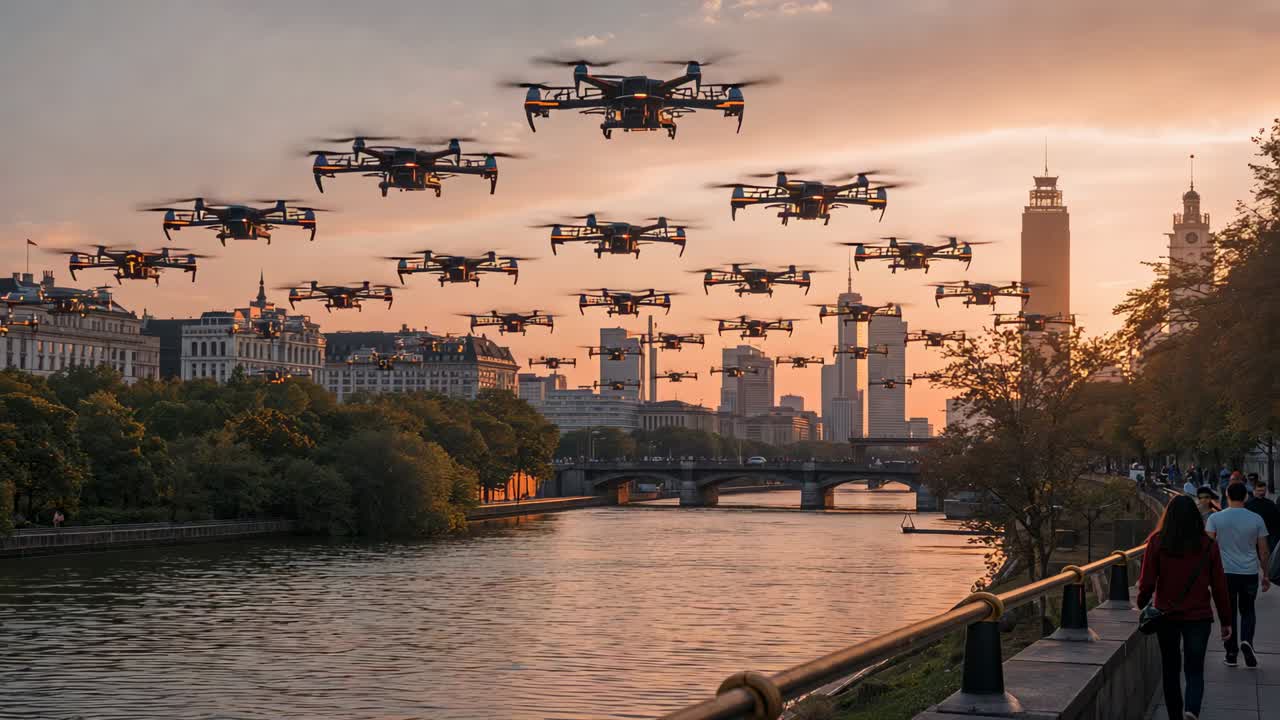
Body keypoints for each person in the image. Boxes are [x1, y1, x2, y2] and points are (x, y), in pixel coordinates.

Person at [1137, 494, 1231, 720]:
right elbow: (1219, 587)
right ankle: (1192, 709)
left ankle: (1175, 716)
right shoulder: (1208, 546)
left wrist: (1142, 602)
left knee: (1170, 670)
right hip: (1198, 616)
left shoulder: (1157, 541)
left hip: (1166, 616)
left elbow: (1147, 581)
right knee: (1195, 669)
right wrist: (1226, 620)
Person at [1206, 483, 1272, 668]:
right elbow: (1264, 551)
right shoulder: (1256, 519)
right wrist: (1265, 575)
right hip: (1249, 572)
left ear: (1227, 495)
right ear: (1245, 497)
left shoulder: (1215, 518)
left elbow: (1207, 548)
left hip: (1225, 574)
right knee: (1248, 610)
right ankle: (1247, 642)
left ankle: (1231, 653)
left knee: (1229, 612)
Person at [1245, 477, 1280, 554]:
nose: (1261, 493)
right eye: (1259, 491)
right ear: (1254, 491)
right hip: (1253, 535)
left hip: (1269, 535)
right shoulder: (1248, 505)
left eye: (1263, 491)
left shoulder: (1270, 504)